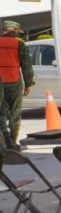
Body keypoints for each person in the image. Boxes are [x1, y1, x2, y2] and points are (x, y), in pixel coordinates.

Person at [0, 20, 34, 149]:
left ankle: (4, 141)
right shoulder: (19, 44)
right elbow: (26, 65)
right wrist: (28, 83)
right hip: (14, 82)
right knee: (15, 113)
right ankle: (13, 141)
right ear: (13, 31)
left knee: (1, 114)